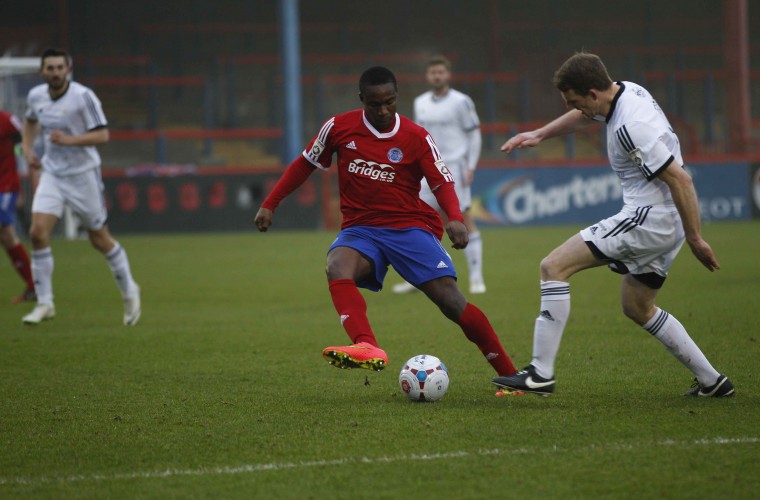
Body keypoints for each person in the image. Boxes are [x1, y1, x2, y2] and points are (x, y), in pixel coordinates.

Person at [255, 66, 518, 384]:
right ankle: (366, 344)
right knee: (337, 265)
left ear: (397, 98)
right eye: (374, 104)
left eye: (390, 102)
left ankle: (510, 375)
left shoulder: (416, 136)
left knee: (451, 302)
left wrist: (456, 219)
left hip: (410, 228)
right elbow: (304, 164)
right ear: (361, 100)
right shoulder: (338, 127)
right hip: (361, 229)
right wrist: (270, 203)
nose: (383, 110)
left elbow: (442, 181)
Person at [493, 52, 733, 398]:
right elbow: (584, 116)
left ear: (592, 93)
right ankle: (712, 381)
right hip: (664, 222)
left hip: (649, 218)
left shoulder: (629, 128)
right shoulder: (626, 91)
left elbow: (681, 180)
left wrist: (697, 238)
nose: (578, 110)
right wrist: (541, 134)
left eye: (577, 102)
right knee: (638, 307)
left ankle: (540, 373)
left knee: (553, 266)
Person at [20, 47, 141, 325]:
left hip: (83, 175)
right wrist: (27, 150)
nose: (54, 73)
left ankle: (129, 289)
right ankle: (44, 302)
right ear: (42, 72)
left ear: (68, 69)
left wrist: (68, 140)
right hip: (53, 173)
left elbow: (103, 135)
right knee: (37, 233)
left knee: (99, 239)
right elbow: (29, 122)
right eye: (49, 68)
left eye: (59, 67)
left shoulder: (83, 97)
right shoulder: (36, 96)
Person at [393, 55, 486, 295]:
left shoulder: (461, 101)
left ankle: (476, 277)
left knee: (463, 219)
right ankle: (419, 277)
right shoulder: (421, 102)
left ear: (448, 75)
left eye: (441, 72)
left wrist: (470, 166)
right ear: (427, 76)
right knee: (417, 220)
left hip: (454, 166)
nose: (437, 76)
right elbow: (416, 137)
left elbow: (474, 134)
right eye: (433, 72)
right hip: (426, 168)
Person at [0, 109, 36, 303]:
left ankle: (34, 285)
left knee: (5, 231)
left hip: (4, 186)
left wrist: (27, 155)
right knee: (7, 237)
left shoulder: (7, 120)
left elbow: (24, 137)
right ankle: (33, 286)